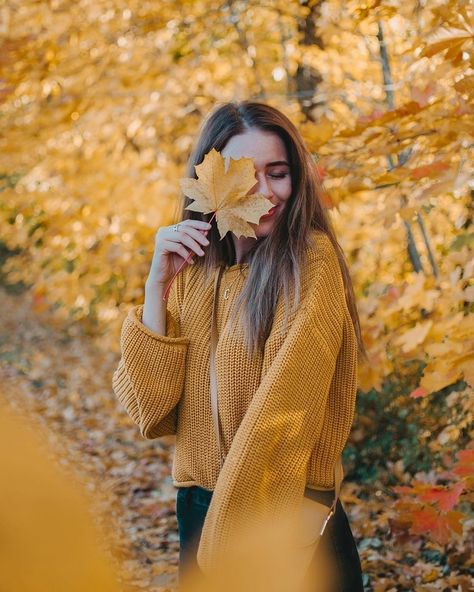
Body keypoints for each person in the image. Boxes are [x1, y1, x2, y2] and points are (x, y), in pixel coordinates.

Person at [112, 100, 367, 591]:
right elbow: (151, 412)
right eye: (246, 175)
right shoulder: (194, 271)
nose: (267, 193)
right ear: (210, 181)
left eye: (279, 173)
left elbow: (283, 415)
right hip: (198, 511)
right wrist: (156, 289)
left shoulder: (309, 265)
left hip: (280, 511)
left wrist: (228, 549)